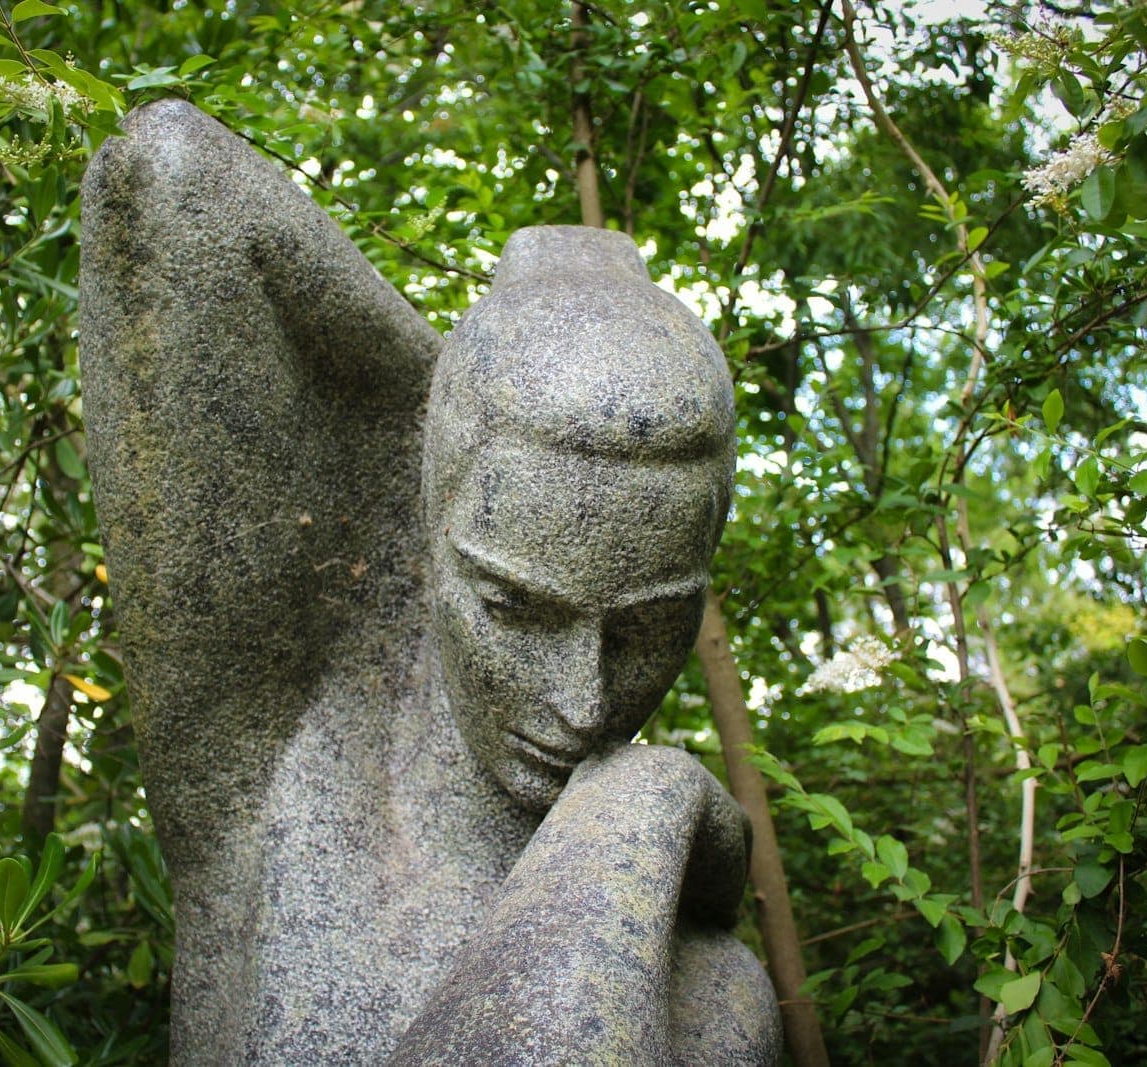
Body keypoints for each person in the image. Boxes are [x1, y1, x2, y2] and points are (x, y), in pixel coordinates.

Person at [80, 98, 779, 1064]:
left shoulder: (710, 992)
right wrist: (456, 390)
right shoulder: (280, 777)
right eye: (516, 608)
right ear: (427, 544)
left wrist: (638, 811)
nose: (582, 702)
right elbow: (168, 174)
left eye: (648, 627)